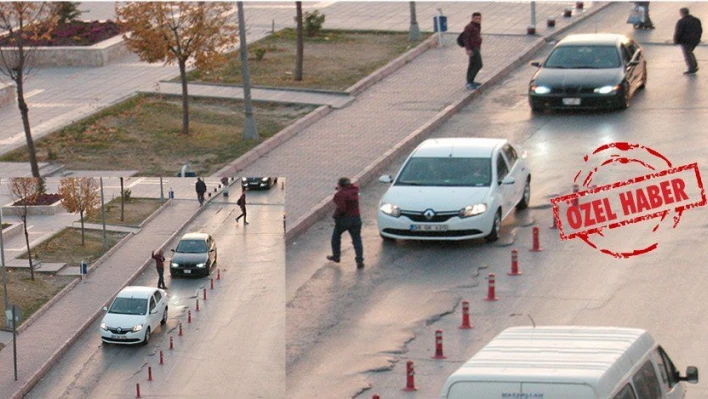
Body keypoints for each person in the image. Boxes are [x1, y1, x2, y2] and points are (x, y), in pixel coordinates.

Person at [326, 177, 364, 269]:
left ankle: (336, 256)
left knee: (336, 237)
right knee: (357, 239)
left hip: (344, 219)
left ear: (340, 185)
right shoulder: (354, 190)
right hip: (356, 218)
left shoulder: (340, 195)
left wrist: (336, 216)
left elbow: (341, 208)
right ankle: (359, 260)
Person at [674, 7, 703, 74]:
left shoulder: (681, 21)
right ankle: (694, 65)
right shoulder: (696, 20)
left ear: (682, 13)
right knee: (690, 52)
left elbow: (678, 32)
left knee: (687, 54)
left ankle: (692, 67)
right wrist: (698, 38)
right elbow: (700, 30)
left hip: (685, 41)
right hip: (695, 40)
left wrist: (676, 40)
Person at [462, 12, 483, 90]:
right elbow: (465, 38)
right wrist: (468, 49)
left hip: (477, 48)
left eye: (479, 18)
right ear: (472, 19)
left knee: (473, 64)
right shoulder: (469, 27)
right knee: (478, 64)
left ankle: (471, 81)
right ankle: (469, 82)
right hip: (473, 49)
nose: (478, 20)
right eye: (476, 18)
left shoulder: (477, 26)